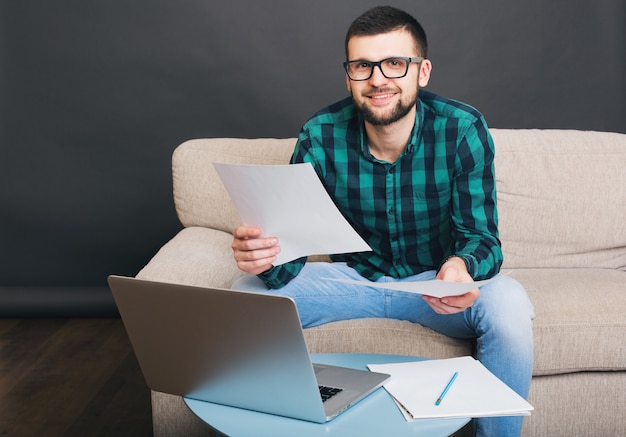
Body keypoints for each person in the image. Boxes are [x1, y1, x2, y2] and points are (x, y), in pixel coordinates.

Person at [231, 6, 534, 437]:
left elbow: (482, 238)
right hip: (353, 283)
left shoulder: (462, 128)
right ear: (349, 75)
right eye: (363, 66)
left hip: (433, 288)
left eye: (395, 63)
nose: (378, 79)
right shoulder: (320, 134)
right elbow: (289, 252)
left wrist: (461, 267)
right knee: (241, 295)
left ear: (422, 71)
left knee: (509, 302)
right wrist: (263, 257)